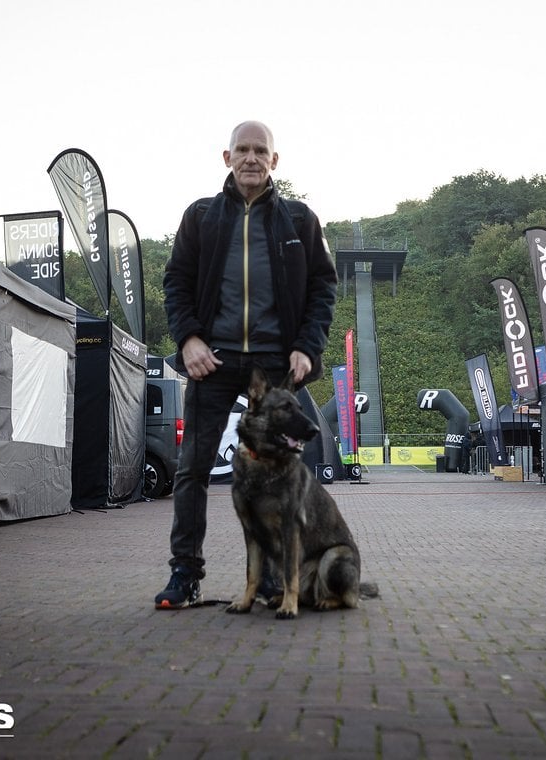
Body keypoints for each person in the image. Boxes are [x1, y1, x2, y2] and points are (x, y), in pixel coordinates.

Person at [156, 120, 338, 609]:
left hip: (277, 367)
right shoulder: (201, 218)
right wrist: (190, 338)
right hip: (211, 363)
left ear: (274, 161)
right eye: (243, 149)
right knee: (192, 469)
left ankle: (277, 579)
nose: (252, 157)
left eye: (261, 150)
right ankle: (185, 575)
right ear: (227, 157)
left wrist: (307, 345)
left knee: (283, 474)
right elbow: (176, 282)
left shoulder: (300, 220)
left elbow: (323, 287)